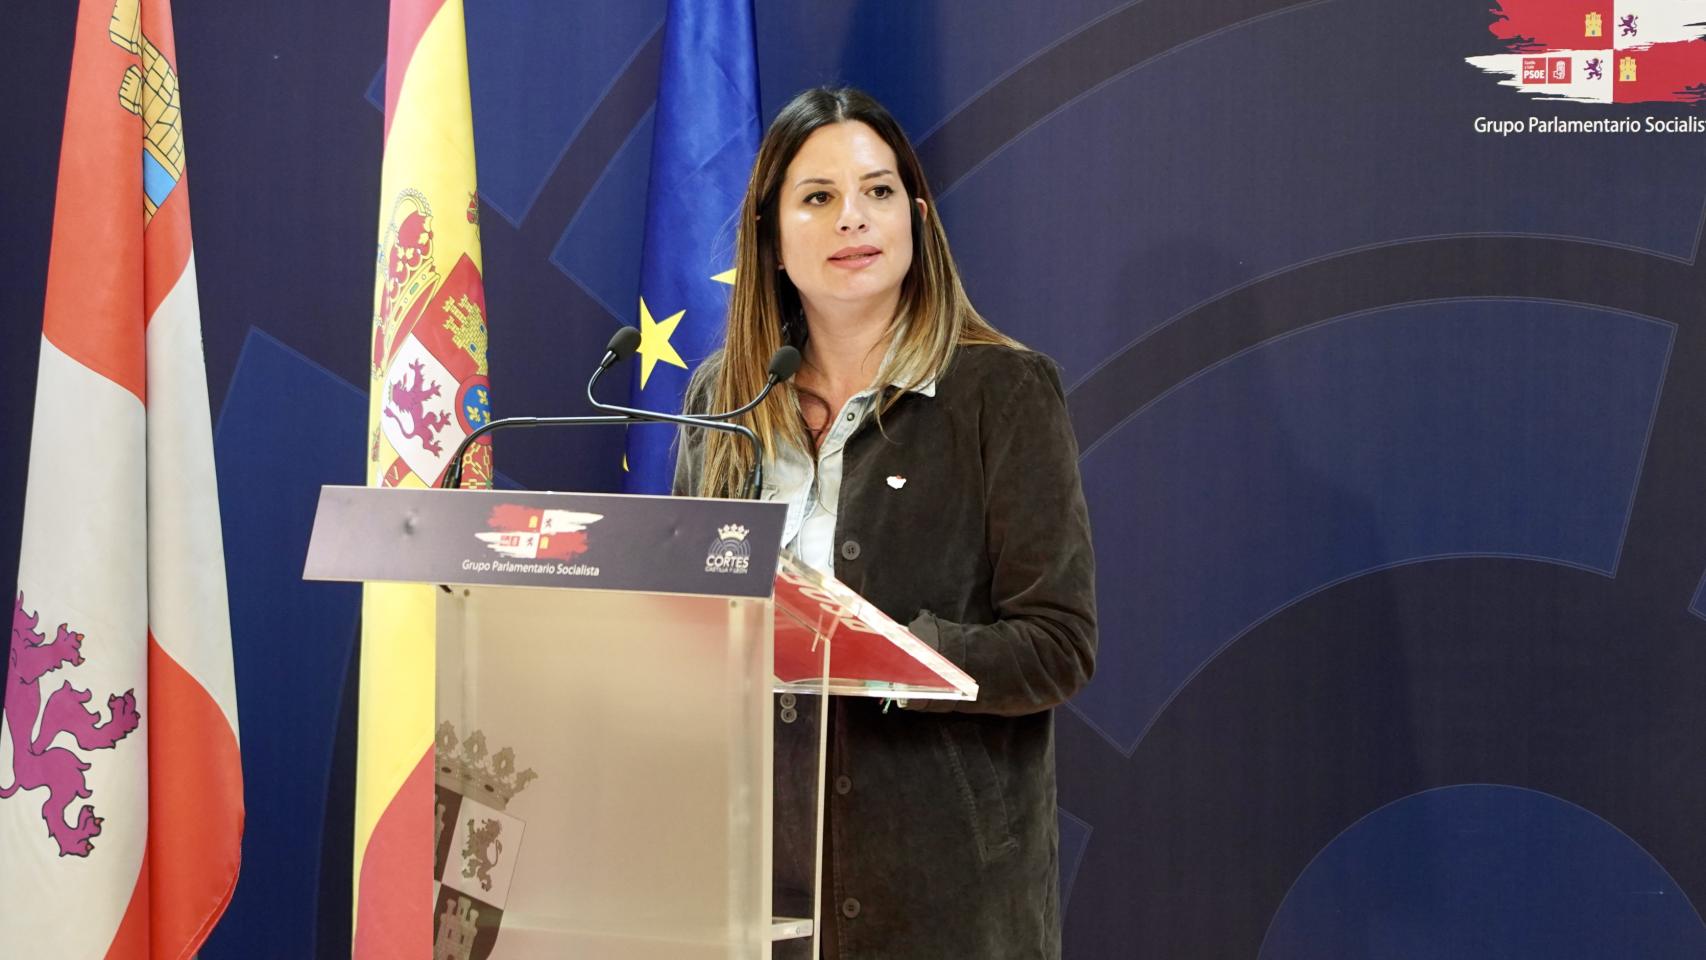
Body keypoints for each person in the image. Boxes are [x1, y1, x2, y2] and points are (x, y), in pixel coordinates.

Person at [674, 87, 1096, 960]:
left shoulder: (1004, 392)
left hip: (943, 890)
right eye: (818, 197)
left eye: (877, 190)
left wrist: (885, 654)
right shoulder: (723, 400)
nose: (851, 220)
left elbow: (1057, 645)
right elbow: (689, 627)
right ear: (771, 233)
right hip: (751, 878)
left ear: (917, 214)